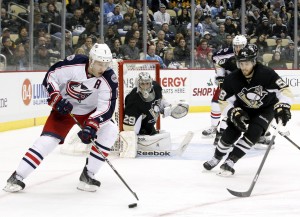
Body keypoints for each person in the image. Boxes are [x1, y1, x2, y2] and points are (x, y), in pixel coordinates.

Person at [3, 43, 119, 193]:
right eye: (99, 64)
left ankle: (88, 175)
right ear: (91, 60)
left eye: (106, 64)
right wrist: (56, 98)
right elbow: (51, 76)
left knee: (110, 130)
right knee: (47, 141)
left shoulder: (109, 77)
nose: (102, 68)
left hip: (90, 112)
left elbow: (107, 108)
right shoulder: (74, 64)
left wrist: (92, 125)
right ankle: (17, 176)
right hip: (65, 109)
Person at [203, 45, 293, 176]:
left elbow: (284, 90)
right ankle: (216, 157)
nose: (244, 67)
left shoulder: (266, 74)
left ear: (254, 62)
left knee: (254, 133)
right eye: (241, 63)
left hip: (265, 109)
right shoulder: (232, 78)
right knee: (231, 131)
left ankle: (230, 161)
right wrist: (232, 112)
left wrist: (283, 105)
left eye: (247, 63)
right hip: (243, 108)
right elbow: (223, 101)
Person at [120, 72, 189, 157]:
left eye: (147, 83)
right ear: (138, 84)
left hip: (150, 125)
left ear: (151, 83)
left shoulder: (156, 87)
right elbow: (128, 127)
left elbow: (159, 99)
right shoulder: (133, 99)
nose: (145, 86)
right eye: (142, 84)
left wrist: (167, 107)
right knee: (133, 130)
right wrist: (130, 141)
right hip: (141, 128)